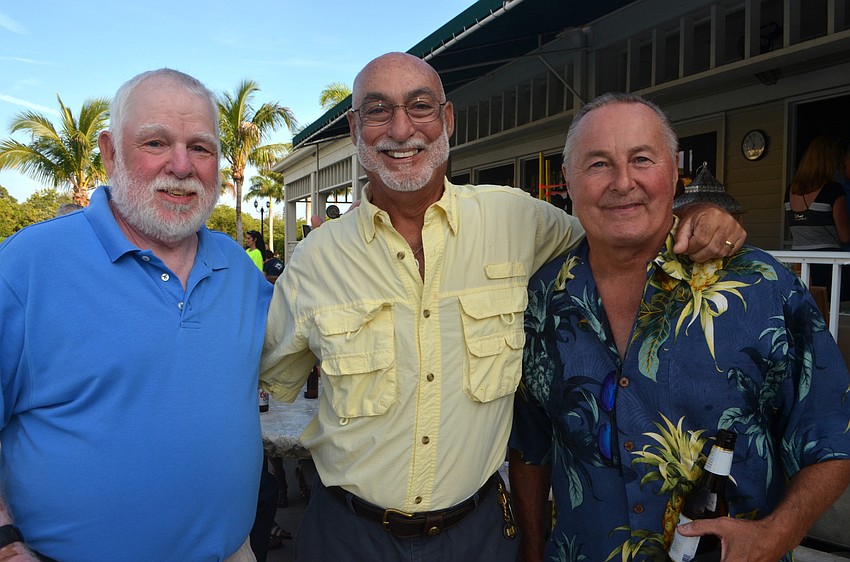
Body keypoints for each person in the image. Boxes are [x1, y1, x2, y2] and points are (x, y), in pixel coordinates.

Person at [259, 52, 744, 562]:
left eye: (419, 106)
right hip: (346, 535)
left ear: (447, 120)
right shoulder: (317, 258)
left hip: (478, 534)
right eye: (378, 111)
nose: (401, 129)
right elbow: (265, 377)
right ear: (356, 129)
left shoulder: (516, 219)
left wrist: (697, 214)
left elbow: (621, 227)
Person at [508, 92, 850, 562]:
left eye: (641, 159)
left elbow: (834, 433)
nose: (623, 182)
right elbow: (530, 446)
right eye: (598, 164)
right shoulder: (542, 298)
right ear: (567, 179)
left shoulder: (759, 286)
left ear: (673, 173)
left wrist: (778, 535)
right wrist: (531, 548)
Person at [0, 69, 272, 562]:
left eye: (202, 148)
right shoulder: (26, 268)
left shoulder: (239, 271)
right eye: (155, 142)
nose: (181, 166)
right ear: (109, 153)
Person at [784, 134, 850, 292]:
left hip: (798, 261)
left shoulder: (791, 190)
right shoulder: (833, 190)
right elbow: (845, 235)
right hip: (826, 262)